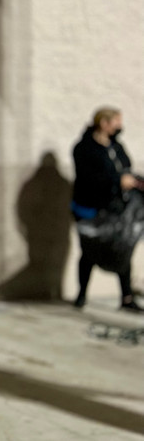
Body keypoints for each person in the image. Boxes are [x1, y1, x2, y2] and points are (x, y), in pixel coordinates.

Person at [71, 107, 144, 312]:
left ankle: (126, 297)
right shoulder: (84, 148)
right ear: (104, 123)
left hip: (116, 208)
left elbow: (125, 167)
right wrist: (117, 181)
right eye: (116, 122)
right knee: (89, 251)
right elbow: (88, 178)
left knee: (123, 249)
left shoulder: (116, 146)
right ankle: (81, 294)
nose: (119, 127)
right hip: (91, 208)